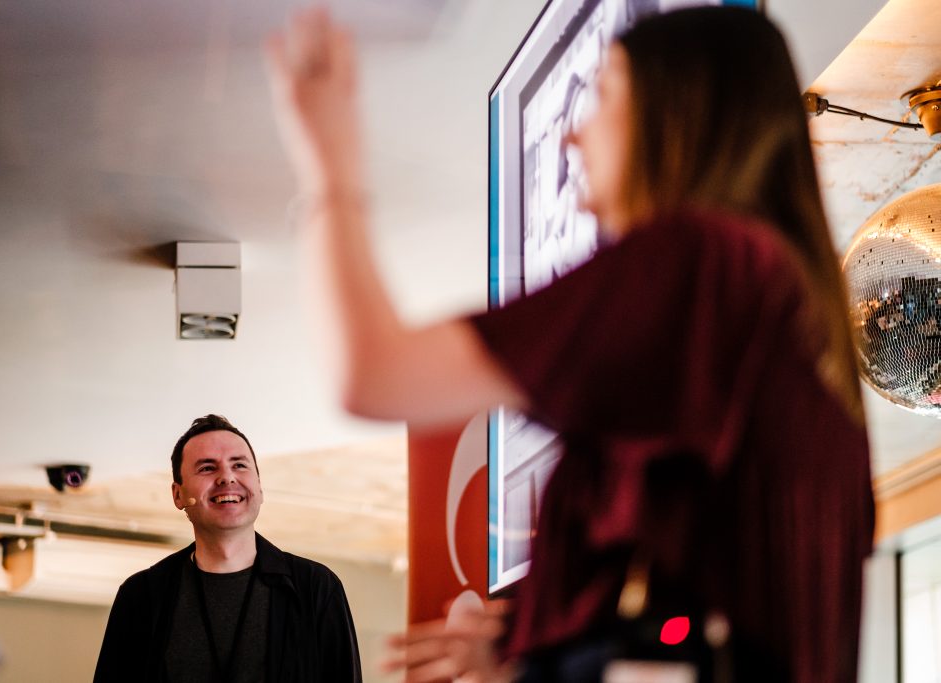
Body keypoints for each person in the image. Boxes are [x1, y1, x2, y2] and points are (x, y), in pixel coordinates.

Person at [266, 6, 874, 683]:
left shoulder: (699, 264)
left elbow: (373, 371)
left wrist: (330, 169)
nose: (572, 139)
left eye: (604, 96)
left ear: (675, 115)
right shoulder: (780, 309)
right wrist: (526, 645)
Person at [93, 414, 362, 682]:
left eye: (240, 465)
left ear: (259, 486)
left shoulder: (316, 588)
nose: (227, 477)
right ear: (178, 495)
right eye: (207, 468)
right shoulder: (140, 596)